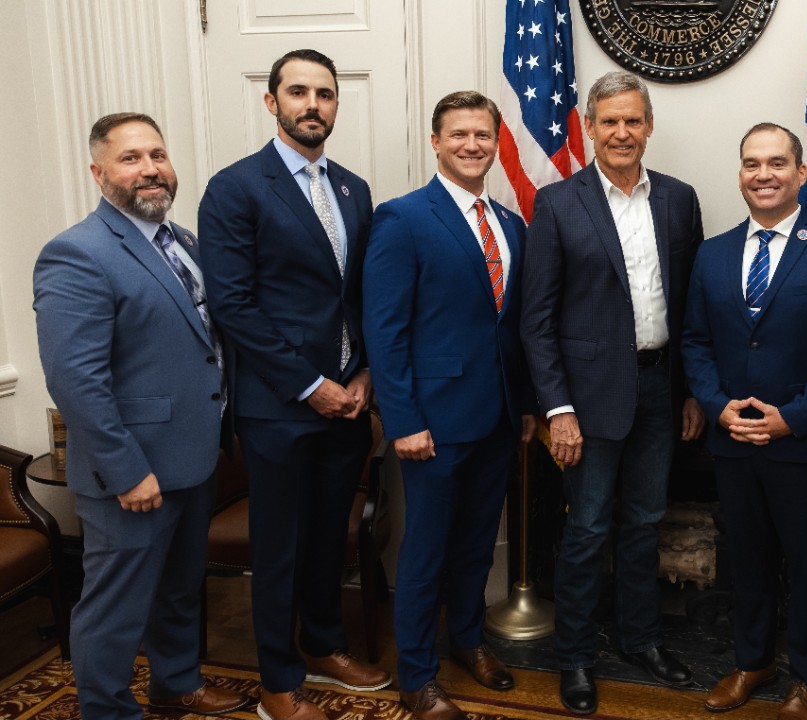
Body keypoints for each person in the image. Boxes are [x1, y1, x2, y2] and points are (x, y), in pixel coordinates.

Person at [33, 113, 250, 720]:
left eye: (158, 154)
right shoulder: (76, 253)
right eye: (131, 159)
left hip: (193, 458)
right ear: (99, 173)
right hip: (131, 473)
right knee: (116, 604)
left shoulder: (184, 243)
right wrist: (126, 471)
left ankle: (176, 683)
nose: (150, 169)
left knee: (179, 591)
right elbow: (75, 379)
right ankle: (106, 708)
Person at [199, 49, 390, 720]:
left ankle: (324, 645)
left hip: (347, 403)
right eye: (299, 91)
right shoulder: (235, 187)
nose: (314, 104)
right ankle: (279, 681)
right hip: (280, 406)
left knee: (325, 539)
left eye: (326, 94)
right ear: (271, 102)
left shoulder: (353, 190)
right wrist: (310, 383)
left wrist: (363, 372)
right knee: (277, 547)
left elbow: (359, 295)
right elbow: (232, 303)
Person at [520, 70, 706, 715]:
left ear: (648, 126)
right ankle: (574, 657)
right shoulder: (557, 204)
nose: (622, 132)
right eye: (609, 122)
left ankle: (640, 640)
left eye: (633, 120)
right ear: (590, 128)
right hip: (589, 399)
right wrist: (558, 409)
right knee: (589, 527)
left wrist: (689, 391)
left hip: (660, 387)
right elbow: (536, 319)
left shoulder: (679, 200)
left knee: (645, 522)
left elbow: (688, 306)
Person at [683, 123, 807, 720]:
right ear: (740, 174)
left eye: (777, 163)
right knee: (748, 558)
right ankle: (752, 660)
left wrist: (793, 418)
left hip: (803, 445)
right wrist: (717, 406)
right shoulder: (711, 253)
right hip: (734, 441)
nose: (763, 174)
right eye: (751, 164)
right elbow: (694, 341)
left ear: (800, 173)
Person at [363, 90, 537, 720]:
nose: (472, 145)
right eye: (458, 134)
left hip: (495, 419)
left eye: (483, 135)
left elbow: (508, 328)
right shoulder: (403, 218)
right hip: (431, 424)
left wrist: (522, 405)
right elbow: (385, 330)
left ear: (497, 143)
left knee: (474, 546)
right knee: (426, 550)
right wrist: (404, 422)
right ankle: (416, 675)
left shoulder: (512, 224)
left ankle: (466, 641)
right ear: (435, 141)